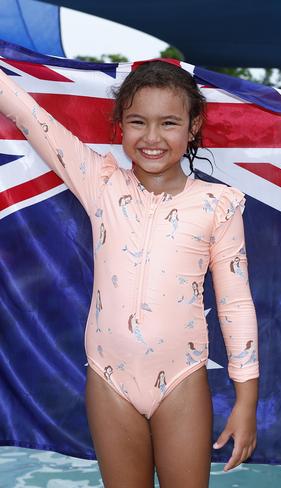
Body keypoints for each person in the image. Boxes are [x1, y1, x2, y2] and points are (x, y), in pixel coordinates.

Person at [0, 61, 259, 487]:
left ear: (193, 127)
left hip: (180, 380)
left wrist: (246, 401)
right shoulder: (101, 183)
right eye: (138, 121)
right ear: (120, 125)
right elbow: (29, 116)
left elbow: (236, 303)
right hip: (109, 380)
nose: (152, 137)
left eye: (169, 123)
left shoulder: (218, 204)